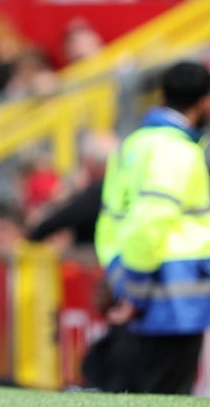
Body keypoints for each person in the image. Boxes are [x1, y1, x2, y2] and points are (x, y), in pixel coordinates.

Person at [89, 60, 210, 395]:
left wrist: (118, 280)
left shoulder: (133, 145)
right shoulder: (177, 152)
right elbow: (150, 222)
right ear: (205, 101)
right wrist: (135, 293)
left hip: (135, 287)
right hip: (168, 300)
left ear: (161, 95)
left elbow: (114, 220)